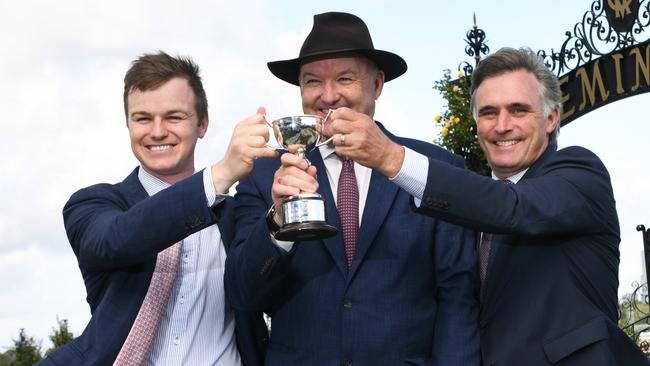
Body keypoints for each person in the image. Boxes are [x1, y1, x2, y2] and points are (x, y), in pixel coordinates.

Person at [327, 46, 650, 365]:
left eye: (519, 110)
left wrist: (390, 157)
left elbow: (511, 208)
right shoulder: (468, 203)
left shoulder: (581, 173)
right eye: (488, 112)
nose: (502, 125)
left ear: (551, 118)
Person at [225, 12, 480, 365]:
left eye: (345, 78)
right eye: (313, 81)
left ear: (377, 84)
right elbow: (243, 293)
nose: (328, 96)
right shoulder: (263, 173)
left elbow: (458, 297)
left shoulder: (434, 170)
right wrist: (277, 225)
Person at [39, 52, 274, 366]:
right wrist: (219, 175)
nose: (158, 131)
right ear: (128, 125)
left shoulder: (239, 213)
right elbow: (116, 240)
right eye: (143, 118)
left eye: (174, 117)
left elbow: (269, 287)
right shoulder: (92, 205)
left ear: (202, 124)